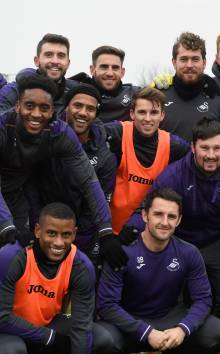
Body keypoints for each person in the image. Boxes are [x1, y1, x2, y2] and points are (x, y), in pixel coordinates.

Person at [124, 117, 220, 354]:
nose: (211, 155)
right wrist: (126, 234)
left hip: (219, 240)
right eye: (205, 148)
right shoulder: (175, 174)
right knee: (174, 294)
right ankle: (166, 346)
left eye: (217, 148)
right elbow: (147, 208)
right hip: (182, 240)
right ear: (193, 147)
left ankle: (205, 352)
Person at [97, 187, 220, 354]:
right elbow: (106, 305)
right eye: (158, 214)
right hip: (128, 324)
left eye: (172, 216)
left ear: (179, 220)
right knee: (100, 338)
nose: (165, 222)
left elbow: (203, 299)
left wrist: (183, 329)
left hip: (169, 320)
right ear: (144, 215)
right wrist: (145, 331)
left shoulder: (188, 252)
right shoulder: (122, 250)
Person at [0, 75, 126, 270]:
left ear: (53, 111)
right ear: (17, 106)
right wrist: (6, 225)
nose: (36, 114)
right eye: (29, 106)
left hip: (15, 194)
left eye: (44, 108)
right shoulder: (2, 127)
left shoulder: (59, 132)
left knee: (14, 254)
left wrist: (106, 230)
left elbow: (88, 180)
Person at [0, 203, 114, 354]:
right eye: (51, 233)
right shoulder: (12, 255)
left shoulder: (81, 265)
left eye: (66, 235)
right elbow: (1, 316)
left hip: (44, 325)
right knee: (11, 353)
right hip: (8, 331)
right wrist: (49, 337)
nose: (59, 242)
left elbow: (81, 326)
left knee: (99, 339)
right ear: (37, 230)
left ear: (75, 234)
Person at [25, 84, 116, 264]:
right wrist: (41, 230)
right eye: (77, 105)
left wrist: (69, 239)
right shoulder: (45, 135)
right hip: (38, 230)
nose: (83, 112)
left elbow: (96, 206)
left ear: (96, 113)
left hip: (78, 238)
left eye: (90, 109)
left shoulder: (105, 157)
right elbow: (31, 186)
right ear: (66, 107)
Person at [104, 87, 189, 235]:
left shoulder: (174, 145)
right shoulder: (118, 132)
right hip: (109, 231)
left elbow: (200, 158)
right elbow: (86, 132)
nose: (148, 119)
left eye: (154, 113)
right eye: (142, 112)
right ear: (132, 114)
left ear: (162, 115)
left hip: (149, 234)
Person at [157, 32, 220, 140]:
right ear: (174, 62)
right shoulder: (158, 96)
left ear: (204, 63)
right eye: (184, 59)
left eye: (195, 59)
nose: (189, 65)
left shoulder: (219, 100)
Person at [0, 33, 78, 113]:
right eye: (48, 55)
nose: (55, 61)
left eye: (61, 56)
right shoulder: (14, 90)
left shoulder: (75, 96)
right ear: (36, 61)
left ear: (68, 63)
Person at [69, 45, 141, 123]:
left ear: (122, 72)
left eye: (115, 68)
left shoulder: (135, 94)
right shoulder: (74, 90)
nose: (110, 73)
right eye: (104, 67)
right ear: (92, 69)